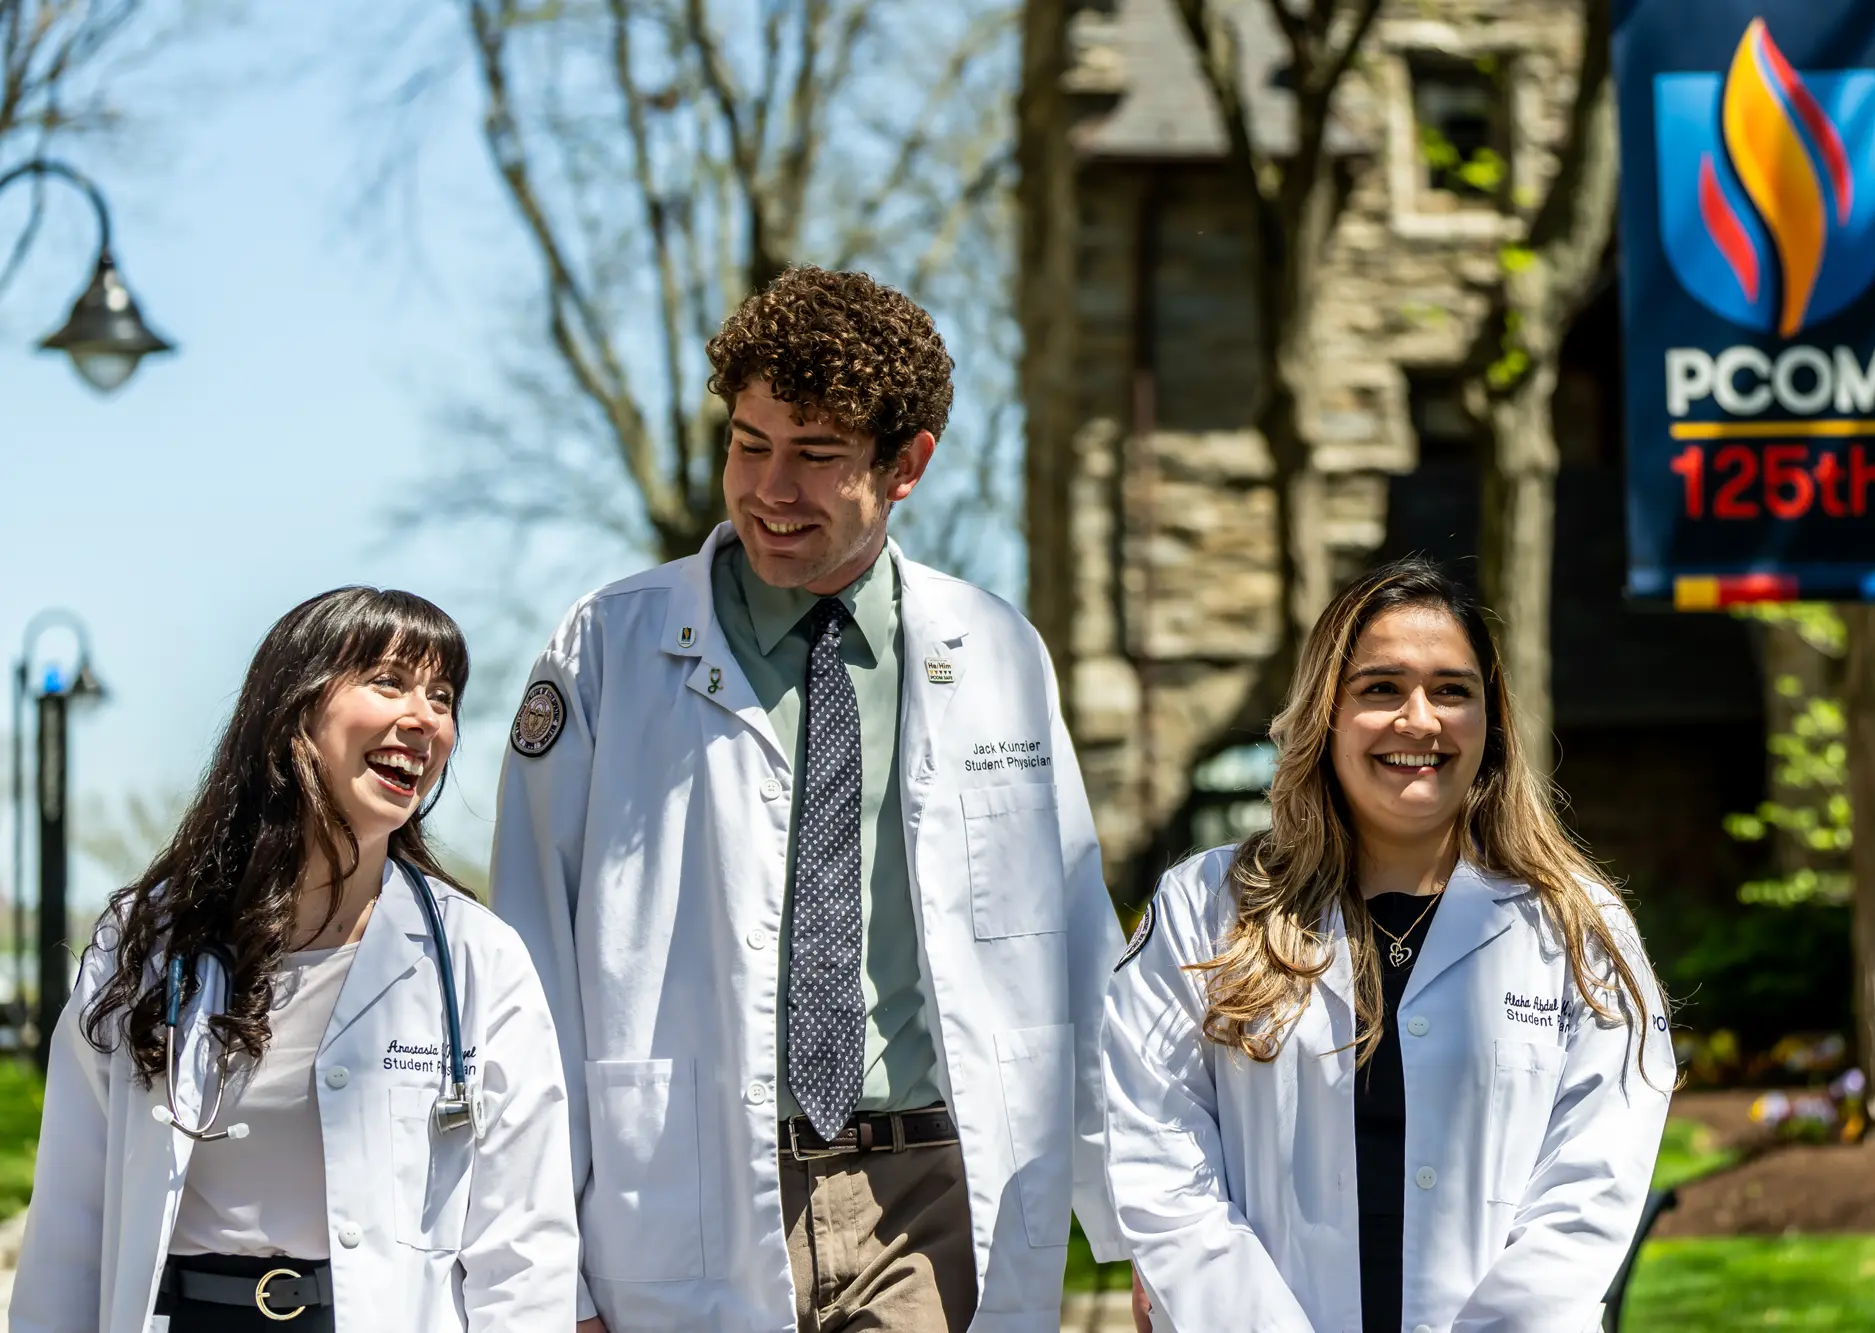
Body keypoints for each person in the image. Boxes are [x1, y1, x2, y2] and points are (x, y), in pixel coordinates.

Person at [490, 265, 1129, 1333]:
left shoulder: (994, 653)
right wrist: (546, 1269)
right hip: (683, 1195)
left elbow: (1074, 939)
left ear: (905, 464)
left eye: (816, 456)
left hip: (928, 1185)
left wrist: (1132, 1228)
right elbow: (528, 956)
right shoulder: (606, 649)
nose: (768, 490)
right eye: (749, 444)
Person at [1103, 559, 1674, 1333]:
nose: (1419, 719)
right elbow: (1161, 1158)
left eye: (1451, 689)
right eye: (1380, 688)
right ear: (1325, 713)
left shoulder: (1576, 927)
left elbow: (1592, 1185)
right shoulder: (1202, 911)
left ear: (1491, 719)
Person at [11, 587, 578, 1333]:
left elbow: (524, 1253)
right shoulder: (147, 941)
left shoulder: (478, 960)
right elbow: (68, 1227)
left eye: (443, 696)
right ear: (294, 711)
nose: (426, 717)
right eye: (389, 681)